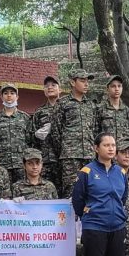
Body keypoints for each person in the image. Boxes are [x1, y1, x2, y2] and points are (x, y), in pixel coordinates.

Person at [72, 131, 129, 256]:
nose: (111, 148)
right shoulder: (86, 172)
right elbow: (78, 201)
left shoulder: (121, 172)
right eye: (106, 145)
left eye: (113, 145)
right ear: (96, 148)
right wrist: (90, 215)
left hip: (117, 227)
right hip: (95, 228)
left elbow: (123, 198)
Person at [55, 68, 99, 197]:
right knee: (71, 190)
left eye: (87, 81)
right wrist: (65, 149)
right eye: (82, 80)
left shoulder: (91, 105)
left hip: (89, 154)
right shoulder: (63, 103)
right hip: (70, 155)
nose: (86, 84)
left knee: (91, 189)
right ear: (73, 83)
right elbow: (56, 131)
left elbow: (95, 128)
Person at [0, 83, 32, 182]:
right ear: (1, 97)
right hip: (1, 163)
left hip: (21, 163)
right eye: (6, 93)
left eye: (12, 93)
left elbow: (30, 141)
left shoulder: (25, 117)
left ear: (17, 96)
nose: (9, 95)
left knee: (21, 192)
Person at [32, 75, 62, 188]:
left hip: (64, 158)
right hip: (46, 159)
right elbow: (33, 137)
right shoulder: (40, 112)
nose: (50, 88)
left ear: (60, 89)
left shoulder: (67, 107)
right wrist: (38, 134)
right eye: (47, 86)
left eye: (53, 85)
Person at [98, 75, 129, 143]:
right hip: (107, 149)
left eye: (119, 86)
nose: (117, 89)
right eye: (113, 86)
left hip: (123, 150)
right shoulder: (100, 109)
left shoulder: (127, 111)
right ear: (107, 89)